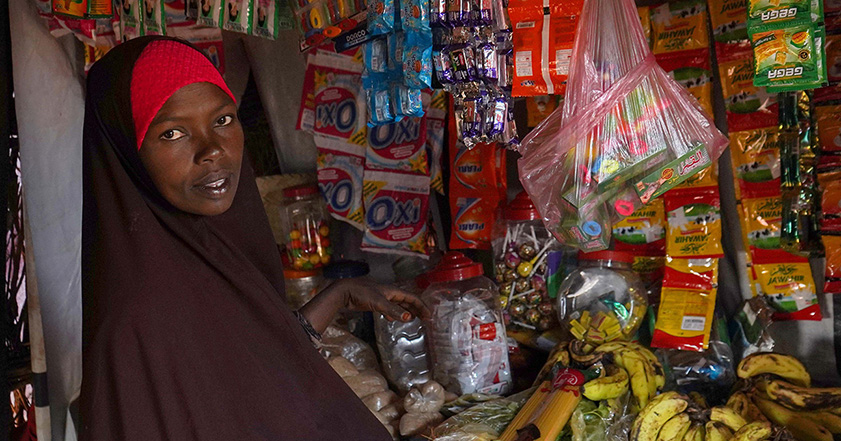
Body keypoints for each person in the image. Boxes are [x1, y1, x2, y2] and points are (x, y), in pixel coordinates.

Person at [81, 35, 429, 440]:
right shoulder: (137, 324)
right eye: (173, 134)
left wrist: (338, 295)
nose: (212, 150)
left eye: (223, 119)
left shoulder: (200, 249)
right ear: (126, 152)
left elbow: (244, 370)